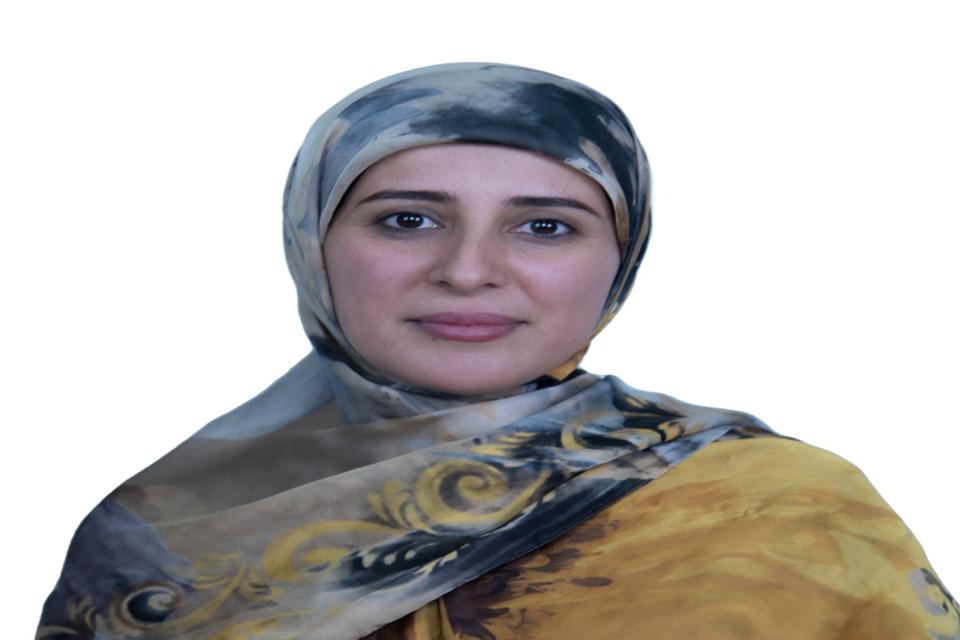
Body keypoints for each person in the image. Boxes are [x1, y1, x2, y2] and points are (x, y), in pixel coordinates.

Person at [37, 63, 958, 640]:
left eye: (545, 226)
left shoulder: (784, 511)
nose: (468, 271)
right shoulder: (159, 531)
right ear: (312, 243)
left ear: (620, 259)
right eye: (407, 220)